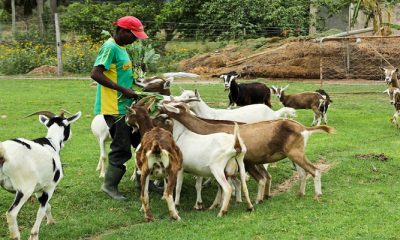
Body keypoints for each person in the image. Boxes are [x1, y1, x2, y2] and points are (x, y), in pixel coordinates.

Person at [91, 16, 160, 201]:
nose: (136, 39)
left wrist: (136, 85)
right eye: (134, 35)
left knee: (143, 142)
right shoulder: (110, 47)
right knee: (121, 147)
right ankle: (109, 186)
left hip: (128, 107)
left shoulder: (122, 48)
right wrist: (122, 89)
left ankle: (143, 180)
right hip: (115, 109)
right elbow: (96, 73)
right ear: (123, 31)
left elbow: (120, 74)